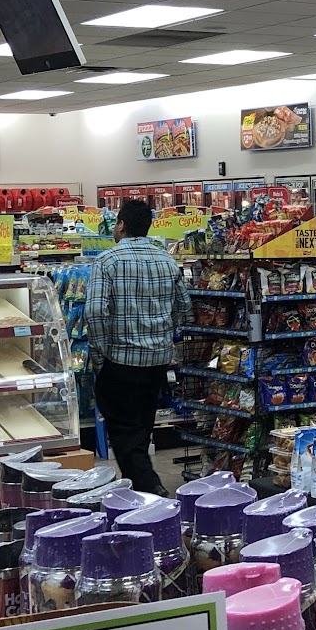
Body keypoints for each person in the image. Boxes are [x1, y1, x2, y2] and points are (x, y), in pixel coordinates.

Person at [84, 199, 186, 495]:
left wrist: (100, 356)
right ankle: (141, 489)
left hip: (121, 360)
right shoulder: (166, 260)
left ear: (121, 225)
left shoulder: (108, 261)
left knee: (124, 430)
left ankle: (149, 488)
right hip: (157, 360)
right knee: (141, 426)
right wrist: (163, 334)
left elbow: (95, 312)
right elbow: (183, 306)